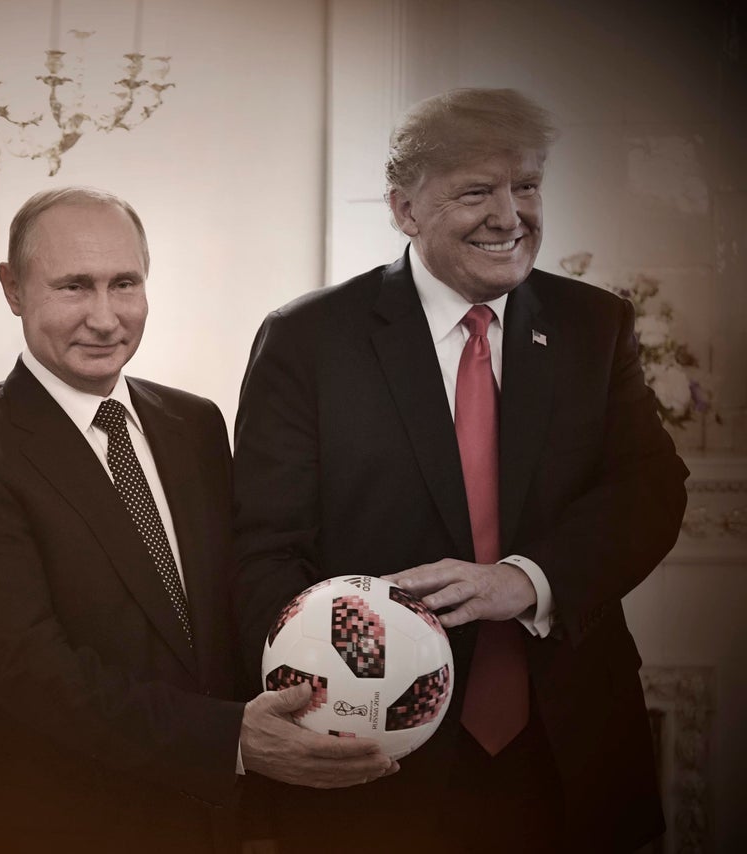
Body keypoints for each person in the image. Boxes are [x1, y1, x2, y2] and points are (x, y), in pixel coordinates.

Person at [233, 87, 689, 853]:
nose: (510, 215)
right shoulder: (307, 340)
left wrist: (525, 580)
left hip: (569, 752)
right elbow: (265, 553)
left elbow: (649, 490)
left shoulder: (594, 325)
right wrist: (332, 697)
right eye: (477, 191)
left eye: (527, 186)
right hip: (377, 764)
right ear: (405, 209)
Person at [0, 187, 396, 854]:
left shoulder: (194, 423)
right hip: (62, 829)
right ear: (13, 288)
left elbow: (222, 618)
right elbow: (33, 673)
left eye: (124, 284)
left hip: (212, 823)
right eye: (74, 287)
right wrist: (230, 741)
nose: (105, 317)